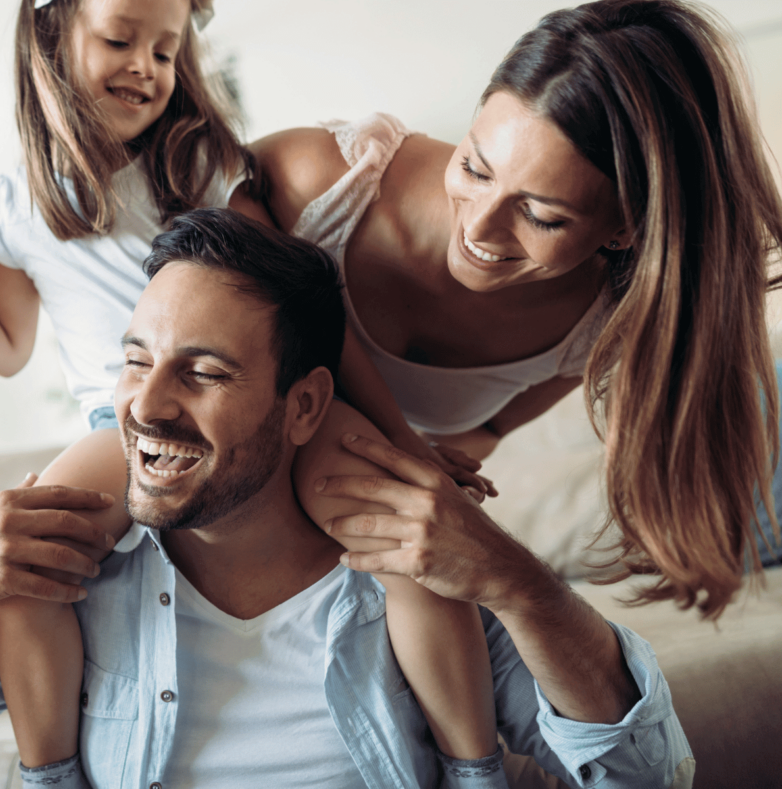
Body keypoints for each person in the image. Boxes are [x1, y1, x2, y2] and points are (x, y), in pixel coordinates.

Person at [0, 208, 693, 789]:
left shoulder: (411, 567)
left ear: (304, 404)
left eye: (205, 371)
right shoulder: (66, 567)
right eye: (136, 358)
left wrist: (519, 583)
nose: (142, 406)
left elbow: (648, 776)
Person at [0, 0, 500, 778]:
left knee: (403, 544)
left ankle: (473, 765)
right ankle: (48, 771)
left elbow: (300, 315)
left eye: (164, 50)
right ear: (51, 37)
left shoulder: (199, 167)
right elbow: (4, 345)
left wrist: (402, 445)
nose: (145, 68)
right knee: (32, 563)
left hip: (251, 393)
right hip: (117, 424)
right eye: (121, 39)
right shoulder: (12, 205)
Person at [251, 0, 782, 620]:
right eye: (475, 167)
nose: (478, 227)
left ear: (626, 230)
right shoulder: (315, 184)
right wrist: (402, 443)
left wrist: (438, 478)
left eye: (541, 216)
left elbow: (487, 430)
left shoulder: (602, 324)